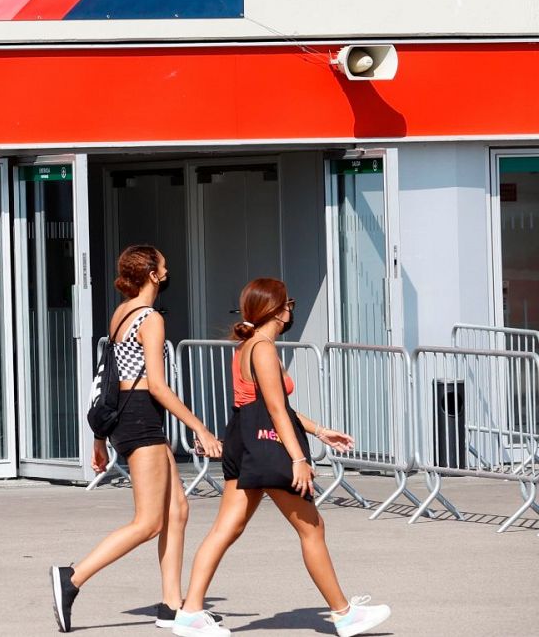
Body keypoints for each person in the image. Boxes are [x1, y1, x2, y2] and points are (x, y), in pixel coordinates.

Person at [171, 279, 390, 637]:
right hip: (267, 445)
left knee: (227, 528)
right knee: (312, 528)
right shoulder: (263, 349)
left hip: (243, 439)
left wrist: (319, 431)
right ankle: (343, 614)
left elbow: (270, 406)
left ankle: (191, 612)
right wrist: (298, 458)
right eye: (289, 302)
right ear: (277, 310)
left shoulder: (247, 346)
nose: (292, 308)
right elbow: (274, 408)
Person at [51, 245, 223, 633]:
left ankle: (170, 604)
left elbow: (106, 377)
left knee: (177, 510)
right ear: (152, 273)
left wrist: (99, 437)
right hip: (141, 416)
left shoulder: (121, 312)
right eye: (163, 264)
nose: (168, 268)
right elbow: (158, 387)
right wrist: (201, 428)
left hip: (130, 416)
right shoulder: (150, 318)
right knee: (148, 522)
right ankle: (72, 577)